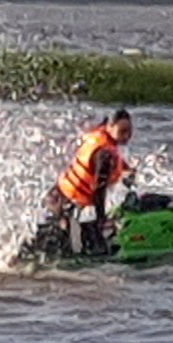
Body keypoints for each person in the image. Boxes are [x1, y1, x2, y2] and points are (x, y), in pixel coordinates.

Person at [42, 108, 136, 255]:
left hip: (57, 194)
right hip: (63, 201)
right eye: (122, 131)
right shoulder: (105, 155)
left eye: (129, 131)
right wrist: (101, 219)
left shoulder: (100, 135)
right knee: (72, 246)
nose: (127, 136)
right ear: (110, 127)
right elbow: (99, 189)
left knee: (80, 237)